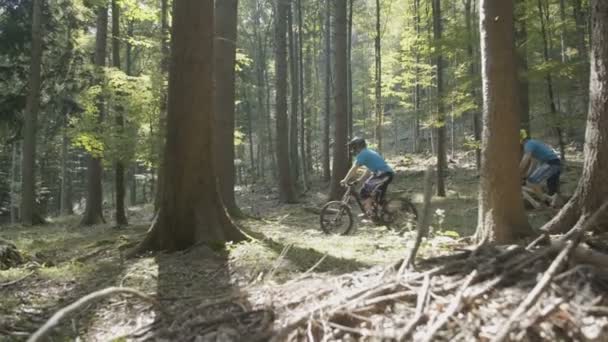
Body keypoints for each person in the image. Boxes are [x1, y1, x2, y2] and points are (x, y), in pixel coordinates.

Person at [340, 137, 394, 216]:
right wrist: (359, 180)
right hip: (383, 174)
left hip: (384, 174)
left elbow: (354, 168)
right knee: (372, 194)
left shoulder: (363, 154)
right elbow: (368, 171)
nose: (352, 150)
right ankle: (378, 213)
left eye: (353, 147)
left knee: (364, 191)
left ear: (358, 147)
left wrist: (345, 180)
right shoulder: (368, 152)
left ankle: (371, 213)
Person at [519, 129, 562, 207]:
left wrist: (517, 173)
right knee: (531, 182)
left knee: (532, 181)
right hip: (552, 163)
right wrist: (526, 176)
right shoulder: (532, 143)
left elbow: (525, 160)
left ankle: (546, 202)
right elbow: (533, 163)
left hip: (551, 163)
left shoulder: (528, 145)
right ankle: (550, 199)